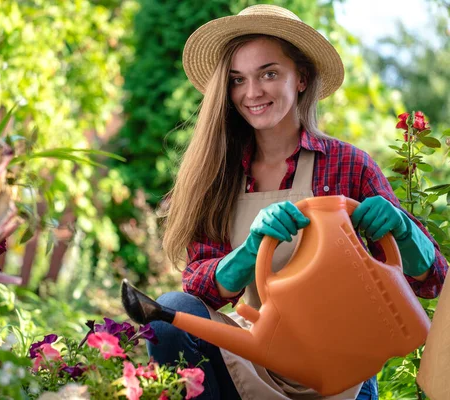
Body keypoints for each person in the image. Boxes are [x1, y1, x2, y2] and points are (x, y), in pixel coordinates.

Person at [148, 4, 448, 400]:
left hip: (339, 372)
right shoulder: (216, 175)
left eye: (269, 74)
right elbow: (199, 291)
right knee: (171, 311)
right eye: (238, 79)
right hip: (251, 357)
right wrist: (251, 249)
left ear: (302, 78)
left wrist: (404, 229)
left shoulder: (346, 165)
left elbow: (433, 281)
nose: (251, 92)